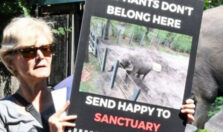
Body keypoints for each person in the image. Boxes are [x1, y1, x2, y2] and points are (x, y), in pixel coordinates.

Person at [0, 16, 195, 132]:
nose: (41, 56)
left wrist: (174, 116)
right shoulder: (4, 113)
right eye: (29, 52)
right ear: (10, 62)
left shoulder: (71, 96)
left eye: (47, 48)